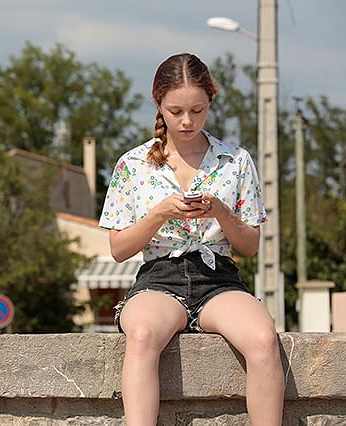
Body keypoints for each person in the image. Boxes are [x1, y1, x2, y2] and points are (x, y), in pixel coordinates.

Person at [100, 53, 284, 425]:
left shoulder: (235, 160)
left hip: (219, 279)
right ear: (158, 104)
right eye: (176, 111)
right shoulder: (132, 164)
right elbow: (119, 250)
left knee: (264, 338)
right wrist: (159, 214)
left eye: (197, 111)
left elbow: (250, 246)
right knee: (142, 334)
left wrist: (221, 212)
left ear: (210, 101)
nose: (187, 121)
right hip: (158, 279)